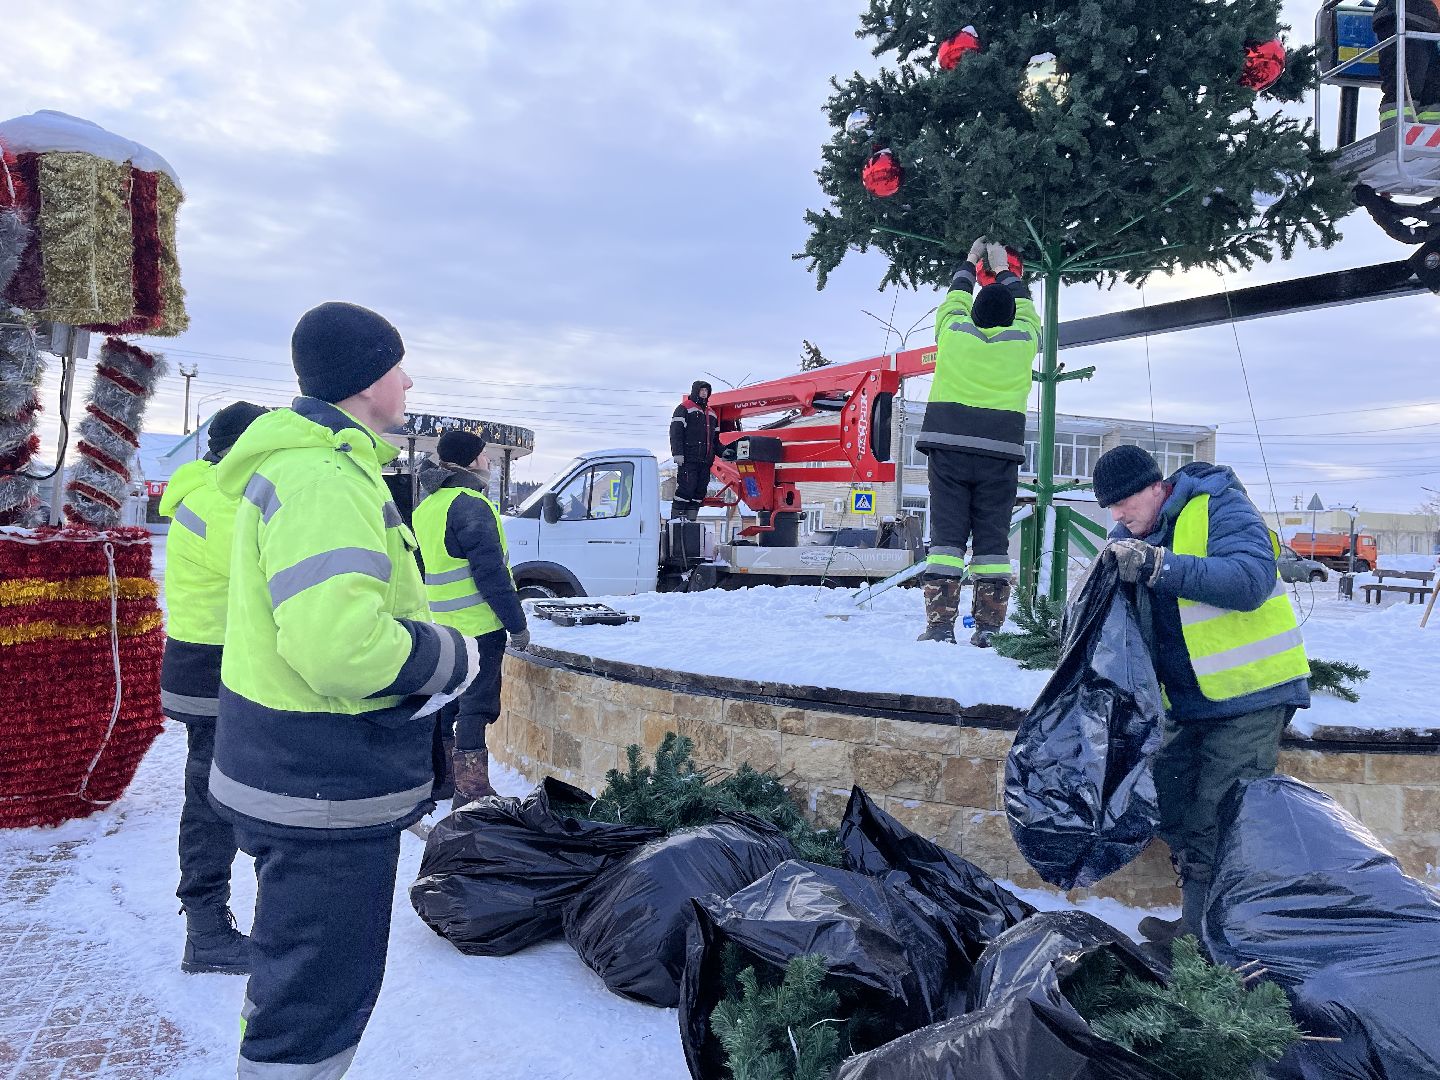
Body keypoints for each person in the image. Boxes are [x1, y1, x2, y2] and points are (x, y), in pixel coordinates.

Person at [210, 301, 479, 1078]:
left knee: (297, 986)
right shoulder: (323, 478)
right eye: (399, 364)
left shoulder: (317, 466)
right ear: (366, 380)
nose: (410, 379)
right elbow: (339, 648)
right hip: (321, 787)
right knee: (315, 1005)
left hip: (300, 774)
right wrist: (451, 659)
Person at [1090, 444, 1310, 948]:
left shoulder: (1218, 504)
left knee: (1224, 816)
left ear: (1156, 487)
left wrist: (1160, 567)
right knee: (1172, 804)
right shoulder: (1128, 538)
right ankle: (1197, 927)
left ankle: (1221, 943)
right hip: (1186, 703)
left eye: (1126, 501)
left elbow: (1251, 580)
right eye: (1111, 507)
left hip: (1251, 693)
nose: (1119, 514)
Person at [158, 399, 267, 975]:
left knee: (224, 796)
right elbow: (271, 565)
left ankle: (216, 925)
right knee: (211, 803)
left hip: (216, 668)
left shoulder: (216, 494)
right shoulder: (217, 503)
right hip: (212, 672)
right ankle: (206, 931)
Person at [914, 239, 1040, 646]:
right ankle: (987, 629)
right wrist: (1006, 270)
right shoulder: (1022, 342)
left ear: (975, 314)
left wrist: (970, 262)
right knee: (992, 542)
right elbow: (1027, 311)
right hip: (999, 455)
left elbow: (952, 301)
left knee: (946, 540)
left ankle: (938, 626)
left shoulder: (954, 333)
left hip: (948, 449)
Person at [414, 428, 529, 809]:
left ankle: (444, 781)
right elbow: (491, 574)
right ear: (470, 460)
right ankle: (472, 789)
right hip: (479, 627)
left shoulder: (427, 508)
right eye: (484, 455)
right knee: (475, 707)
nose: (489, 462)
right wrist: (516, 624)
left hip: (441, 627)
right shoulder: (470, 505)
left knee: (446, 700)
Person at [1374, 0, 1440, 127]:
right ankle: (1397, 130)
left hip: (1428, 21)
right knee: (1407, 84)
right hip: (1406, 15)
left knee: (1433, 89)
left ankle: (1431, 129)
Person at [669, 379, 721, 520]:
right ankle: (677, 522)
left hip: (705, 461)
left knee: (699, 492)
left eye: (706, 391)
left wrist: (723, 452)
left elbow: (715, 439)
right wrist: (678, 453)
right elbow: (676, 433)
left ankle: (691, 521)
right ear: (695, 391)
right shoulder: (684, 408)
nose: (704, 393)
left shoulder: (712, 414)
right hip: (689, 459)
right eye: (702, 390)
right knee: (686, 489)